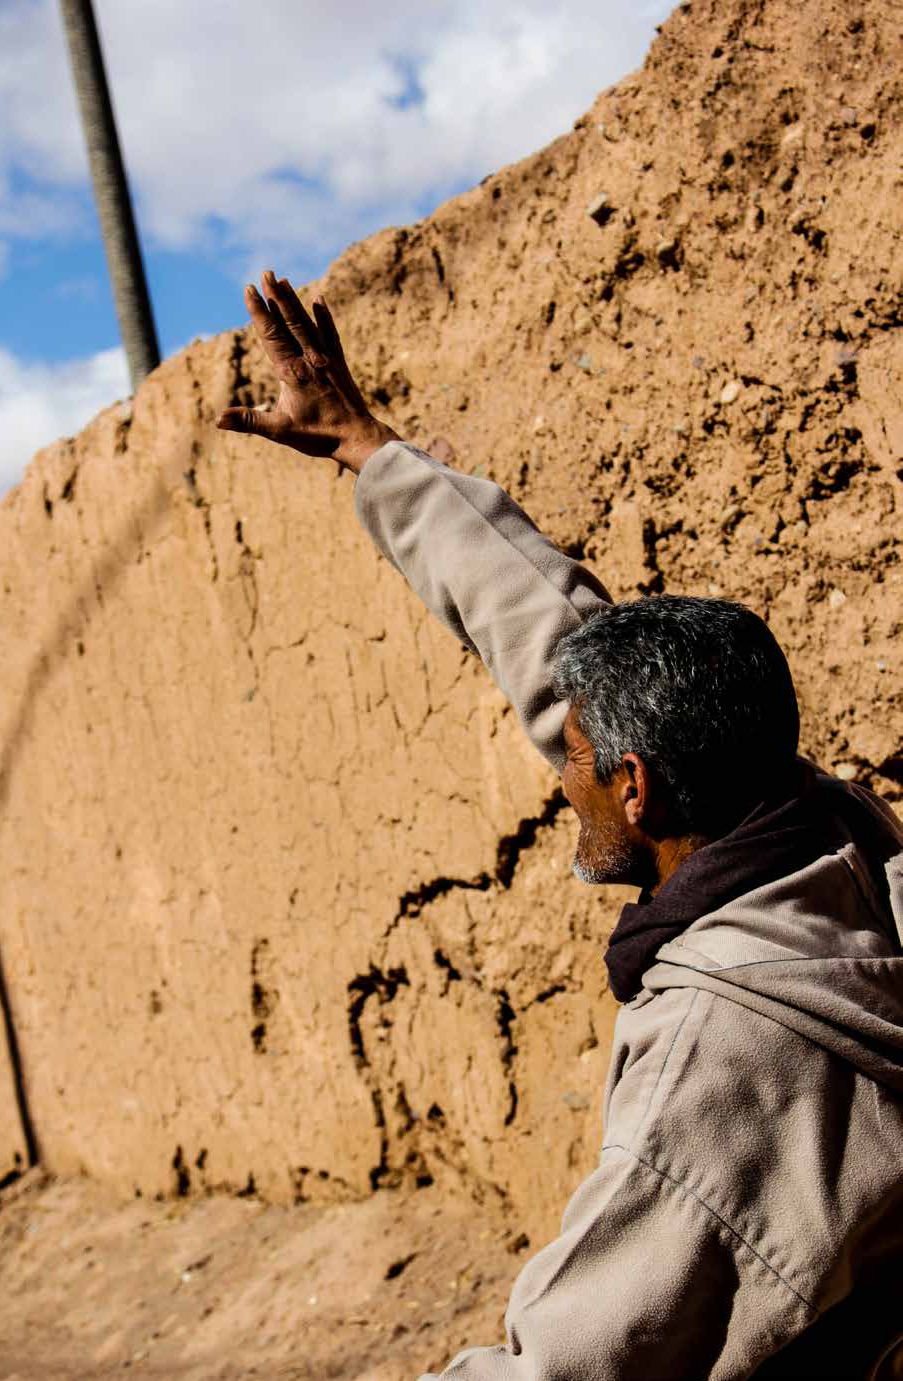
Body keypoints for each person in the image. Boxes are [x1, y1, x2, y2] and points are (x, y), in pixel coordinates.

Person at [218, 272, 903, 1380]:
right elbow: (556, 637)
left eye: (574, 758)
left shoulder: (716, 1069)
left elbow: (570, 1360)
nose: (560, 777)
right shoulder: (828, 832)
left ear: (638, 789)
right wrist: (367, 448)